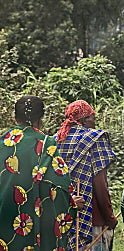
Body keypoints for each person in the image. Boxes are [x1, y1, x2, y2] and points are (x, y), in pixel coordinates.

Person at [0, 96, 78, 250]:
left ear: (15, 117)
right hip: (35, 225)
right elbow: (60, 189)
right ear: (41, 118)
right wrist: (72, 203)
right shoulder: (46, 146)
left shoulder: (3, 143)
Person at [56, 100, 118, 250]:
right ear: (83, 120)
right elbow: (100, 185)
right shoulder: (95, 139)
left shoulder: (55, 140)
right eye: (93, 118)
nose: (95, 123)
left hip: (61, 218)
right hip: (92, 221)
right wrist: (110, 217)